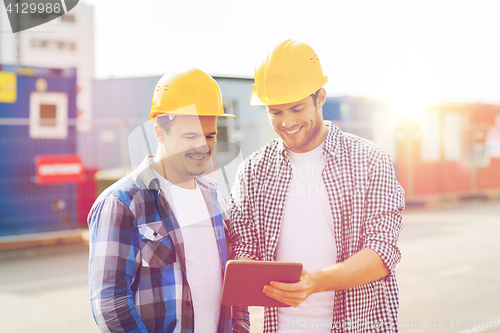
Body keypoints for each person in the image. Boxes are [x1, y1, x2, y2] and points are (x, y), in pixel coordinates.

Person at [229, 40, 404, 332]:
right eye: (276, 112)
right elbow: (244, 247)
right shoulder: (253, 170)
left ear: (320, 97)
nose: (287, 122)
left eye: (296, 108)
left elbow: (382, 251)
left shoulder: (370, 160)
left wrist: (315, 282)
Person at [88, 68, 249, 333]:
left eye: (210, 136)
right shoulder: (123, 203)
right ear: (159, 132)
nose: (203, 147)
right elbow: (109, 303)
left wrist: (240, 327)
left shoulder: (216, 199)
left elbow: (233, 285)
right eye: (190, 136)